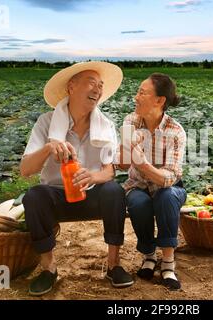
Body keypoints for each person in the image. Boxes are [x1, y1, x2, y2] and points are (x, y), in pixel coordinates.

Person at [20, 61, 133, 296]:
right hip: (56, 198)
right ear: (71, 87)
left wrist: (93, 176)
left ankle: (114, 265)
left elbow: (109, 170)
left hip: (91, 194)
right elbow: (25, 170)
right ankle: (49, 269)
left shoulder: (105, 125)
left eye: (100, 85)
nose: (98, 89)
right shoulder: (46, 122)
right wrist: (49, 148)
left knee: (113, 190)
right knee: (33, 196)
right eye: (91, 83)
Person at [115, 73, 187, 291]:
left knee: (165, 198)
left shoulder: (175, 131)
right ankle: (148, 255)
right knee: (138, 202)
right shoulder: (131, 121)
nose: (136, 97)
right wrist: (127, 147)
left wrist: (144, 164)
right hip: (138, 185)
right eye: (138, 91)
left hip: (170, 188)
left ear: (160, 100)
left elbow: (170, 177)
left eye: (142, 92)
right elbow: (124, 165)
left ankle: (168, 263)